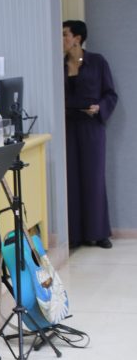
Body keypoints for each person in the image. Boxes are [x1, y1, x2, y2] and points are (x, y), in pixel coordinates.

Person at [63, 19, 118, 249]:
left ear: (77, 38)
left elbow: (110, 94)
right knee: (71, 179)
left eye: (65, 34)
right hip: (68, 126)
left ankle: (99, 233)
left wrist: (99, 108)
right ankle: (74, 235)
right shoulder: (59, 64)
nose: (62, 39)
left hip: (91, 126)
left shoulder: (97, 62)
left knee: (93, 179)